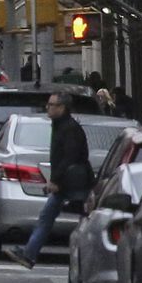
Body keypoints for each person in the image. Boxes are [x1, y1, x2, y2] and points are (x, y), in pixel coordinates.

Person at [8, 93, 91, 269]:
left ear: (62, 108)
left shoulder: (69, 128)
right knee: (49, 216)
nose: (48, 107)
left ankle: (90, 257)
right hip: (68, 182)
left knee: (85, 220)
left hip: (73, 182)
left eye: (51, 104)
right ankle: (29, 254)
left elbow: (70, 157)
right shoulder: (61, 126)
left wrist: (56, 181)